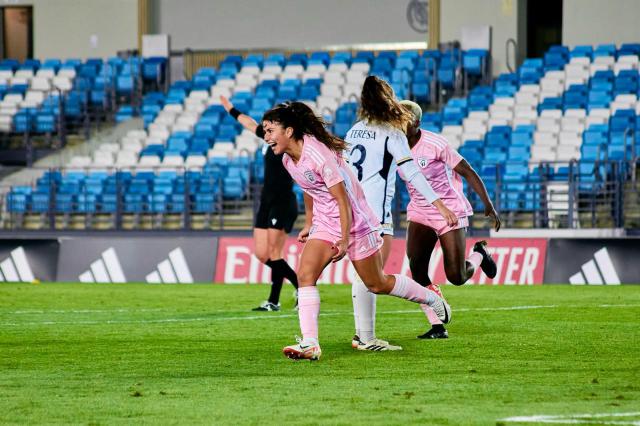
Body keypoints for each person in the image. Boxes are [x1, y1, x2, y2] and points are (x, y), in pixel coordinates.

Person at [260, 101, 451, 361]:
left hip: (356, 222)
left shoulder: (318, 154)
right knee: (305, 274)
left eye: (270, 130)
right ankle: (310, 344)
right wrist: (309, 222)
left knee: (376, 283)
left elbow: (343, 200)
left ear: (289, 131)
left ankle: (430, 298)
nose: (266, 136)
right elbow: (308, 187)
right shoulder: (287, 159)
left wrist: (342, 238)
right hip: (327, 224)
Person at [345, 75, 458, 351]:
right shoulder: (392, 133)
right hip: (375, 215)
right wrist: (439, 203)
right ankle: (430, 300)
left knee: (364, 276)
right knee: (373, 277)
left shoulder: (354, 130)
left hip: (352, 212)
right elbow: (410, 171)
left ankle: (364, 337)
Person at [399, 100, 501, 339]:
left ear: (417, 123)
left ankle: (480, 255)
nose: (399, 125)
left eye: (404, 120)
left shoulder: (436, 144)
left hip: (449, 210)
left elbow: (467, 170)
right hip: (420, 211)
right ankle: (437, 325)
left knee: (456, 276)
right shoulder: (394, 145)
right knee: (417, 268)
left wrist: (487, 203)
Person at [221, 96, 299, 311]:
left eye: (270, 126)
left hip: (282, 202)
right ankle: (299, 287)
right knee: (262, 254)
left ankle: (277, 300)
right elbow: (248, 123)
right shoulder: (267, 139)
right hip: (266, 201)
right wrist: (231, 110)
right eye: (265, 127)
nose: (265, 130)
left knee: (275, 253)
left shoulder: (291, 143)